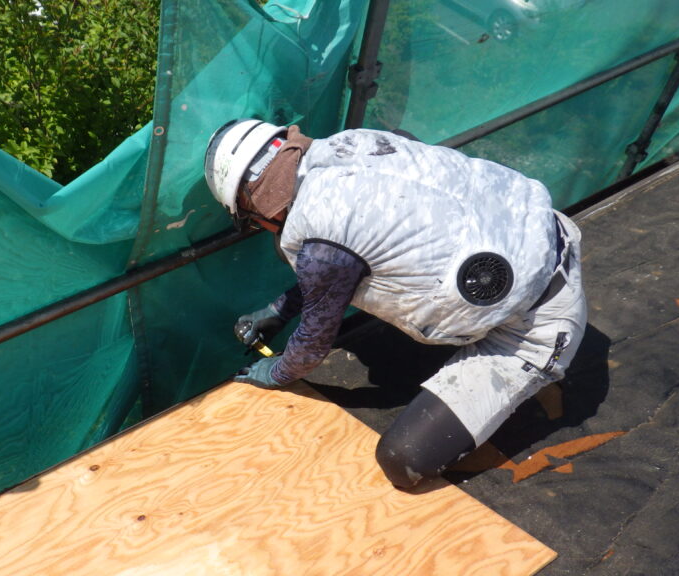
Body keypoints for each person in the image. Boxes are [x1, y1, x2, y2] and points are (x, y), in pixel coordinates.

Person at [203, 118, 587, 489]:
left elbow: (311, 346)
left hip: (533, 326)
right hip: (534, 233)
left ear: (255, 204)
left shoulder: (323, 249)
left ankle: (527, 368)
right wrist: (278, 311)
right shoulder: (355, 145)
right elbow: (350, 254)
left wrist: (277, 371)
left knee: (404, 459)